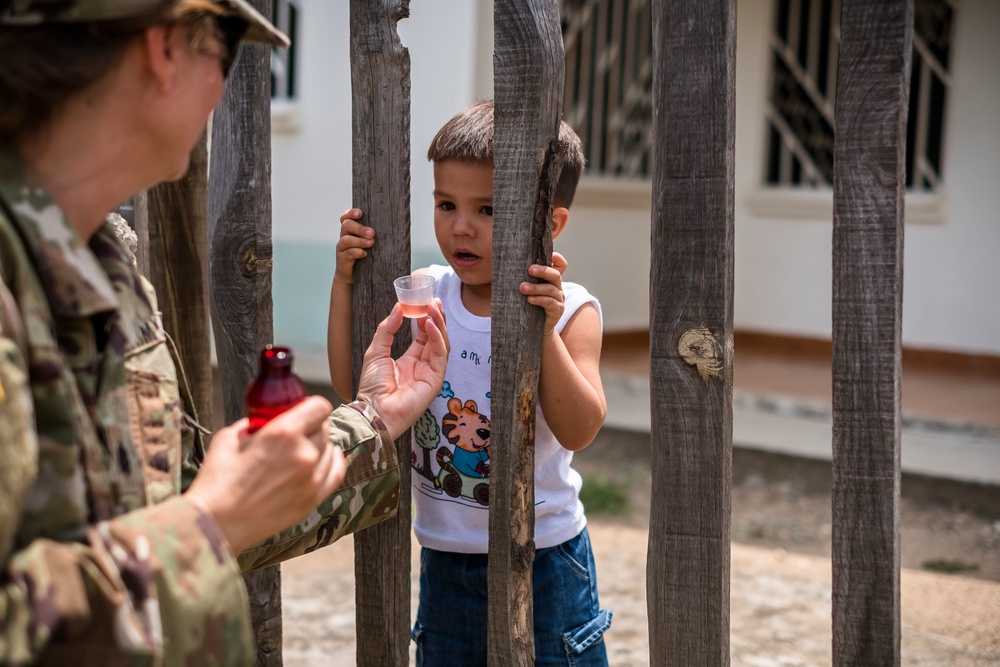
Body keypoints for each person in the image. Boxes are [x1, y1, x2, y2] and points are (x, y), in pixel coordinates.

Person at [0, 0, 449, 664]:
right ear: (166, 47)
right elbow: (196, 519)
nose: (225, 82)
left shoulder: (100, 256)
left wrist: (373, 419)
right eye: (228, 46)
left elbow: (178, 498)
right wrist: (205, 524)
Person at [328, 99, 612, 666]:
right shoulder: (425, 296)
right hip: (445, 560)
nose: (460, 226)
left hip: (547, 557)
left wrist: (544, 330)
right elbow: (352, 391)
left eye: (487, 209)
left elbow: (580, 429)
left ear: (551, 224)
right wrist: (343, 280)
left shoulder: (573, 310)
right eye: (446, 203)